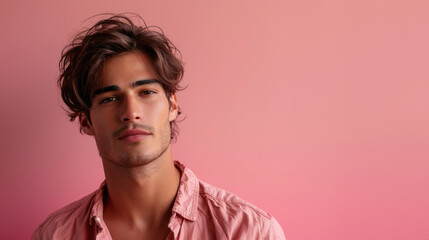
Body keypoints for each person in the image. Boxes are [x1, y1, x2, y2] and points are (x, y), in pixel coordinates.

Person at [32, 14, 286, 240]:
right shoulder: (55, 235)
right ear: (86, 121)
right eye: (109, 99)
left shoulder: (249, 232)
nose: (131, 113)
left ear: (172, 104)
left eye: (146, 92)